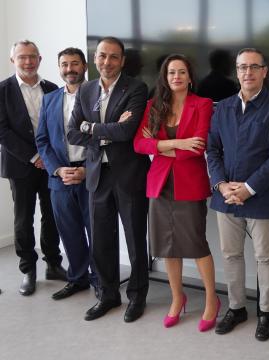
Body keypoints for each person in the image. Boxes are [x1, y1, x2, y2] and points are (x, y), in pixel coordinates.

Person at [207, 48, 269, 341]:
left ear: (264, 71)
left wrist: (248, 188)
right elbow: (212, 149)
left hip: (261, 196)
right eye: (242, 67)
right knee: (231, 255)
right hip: (225, 196)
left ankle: (265, 312)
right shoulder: (224, 107)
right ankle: (236, 307)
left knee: (265, 256)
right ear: (236, 71)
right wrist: (220, 184)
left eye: (254, 67)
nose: (247, 72)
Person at [132, 54, 220, 331]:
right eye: (171, 73)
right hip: (159, 184)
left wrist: (160, 144)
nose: (177, 77)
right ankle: (177, 297)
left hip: (189, 183)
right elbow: (138, 144)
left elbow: (199, 146)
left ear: (190, 76)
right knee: (167, 247)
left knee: (196, 244)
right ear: (165, 77)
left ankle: (211, 299)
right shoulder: (153, 106)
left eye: (182, 72)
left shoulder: (203, 104)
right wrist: (177, 142)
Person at [67, 36, 150, 323]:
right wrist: (106, 129)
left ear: (122, 61)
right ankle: (108, 295)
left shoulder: (136, 87)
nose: (107, 62)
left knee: (135, 237)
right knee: (101, 238)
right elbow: (72, 132)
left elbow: (127, 132)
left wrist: (90, 127)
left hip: (129, 174)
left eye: (113, 57)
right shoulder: (86, 89)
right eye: (102, 55)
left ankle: (137, 297)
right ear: (95, 57)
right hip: (97, 174)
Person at [0, 40, 65, 296]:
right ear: (13, 61)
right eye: (22, 57)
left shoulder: (51, 88)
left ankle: (53, 264)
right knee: (23, 219)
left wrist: (49, 158)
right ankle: (28, 269)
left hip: (51, 164)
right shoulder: (2, 90)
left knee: (52, 216)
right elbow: (2, 131)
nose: (28, 62)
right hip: (20, 165)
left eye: (32, 57)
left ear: (39, 59)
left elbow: (57, 125)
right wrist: (33, 156)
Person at [35, 47, 98, 300]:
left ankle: (101, 281)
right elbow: (42, 140)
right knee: (69, 231)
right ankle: (78, 279)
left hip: (91, 175)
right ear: (59, 68)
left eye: (74, 63)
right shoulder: (49, 99)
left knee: (97, 232)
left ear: (84, 66)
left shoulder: (98, 96)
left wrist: (86, 169)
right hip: (60, 178)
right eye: (64, 64)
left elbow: (105, 138)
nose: (69, 69)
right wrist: (58, 170)